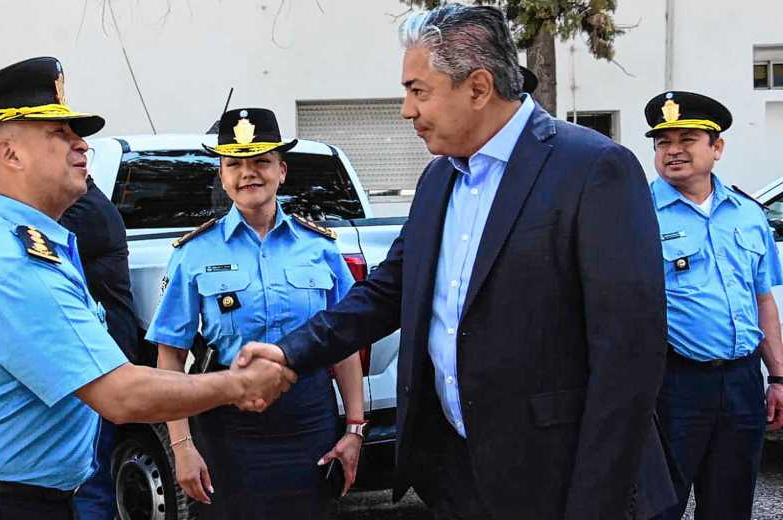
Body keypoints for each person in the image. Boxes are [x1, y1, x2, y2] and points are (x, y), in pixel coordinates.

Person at [236, 5, 676, 519]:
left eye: (418, 91)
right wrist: (289, 353)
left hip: (560, 481)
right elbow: (387, 293)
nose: (406, 109)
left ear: (478, 87)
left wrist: (595, 503)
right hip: (459, 479)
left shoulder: (594, 169)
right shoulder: (439, 179)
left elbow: (629, 359)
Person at [0, 56, 295, 520]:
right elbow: (120, 394)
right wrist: (237, 384)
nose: (82, 145)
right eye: (61, 134)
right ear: (10, 154)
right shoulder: (7, 261)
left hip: (14, 497)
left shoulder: (34, 243)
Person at [146, 107, 364, 519]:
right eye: (234, 164)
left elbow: (344, 345)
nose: (249, 173)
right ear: (223, 176)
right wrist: (182, 446)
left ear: (281, 170)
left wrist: (355, 428)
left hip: (308, 419)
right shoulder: (193, 254)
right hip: (227, 421)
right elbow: (169, 356)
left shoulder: (320, 248)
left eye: (261, 161)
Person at [643, 91, 783, 520]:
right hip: (673, 385)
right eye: (664, 142)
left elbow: (763, 300)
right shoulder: (636, 212)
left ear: (716, 147)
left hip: (741, 382)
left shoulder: (747, 214)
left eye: (688, 139)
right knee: (658, 506)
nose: (674, 151)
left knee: (731, 504)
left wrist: (777, 376)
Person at [60, 176, 139, 519]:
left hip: (100, 359)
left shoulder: (84, 211)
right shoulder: (79, 205)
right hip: (90, 356)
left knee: (90, 473)